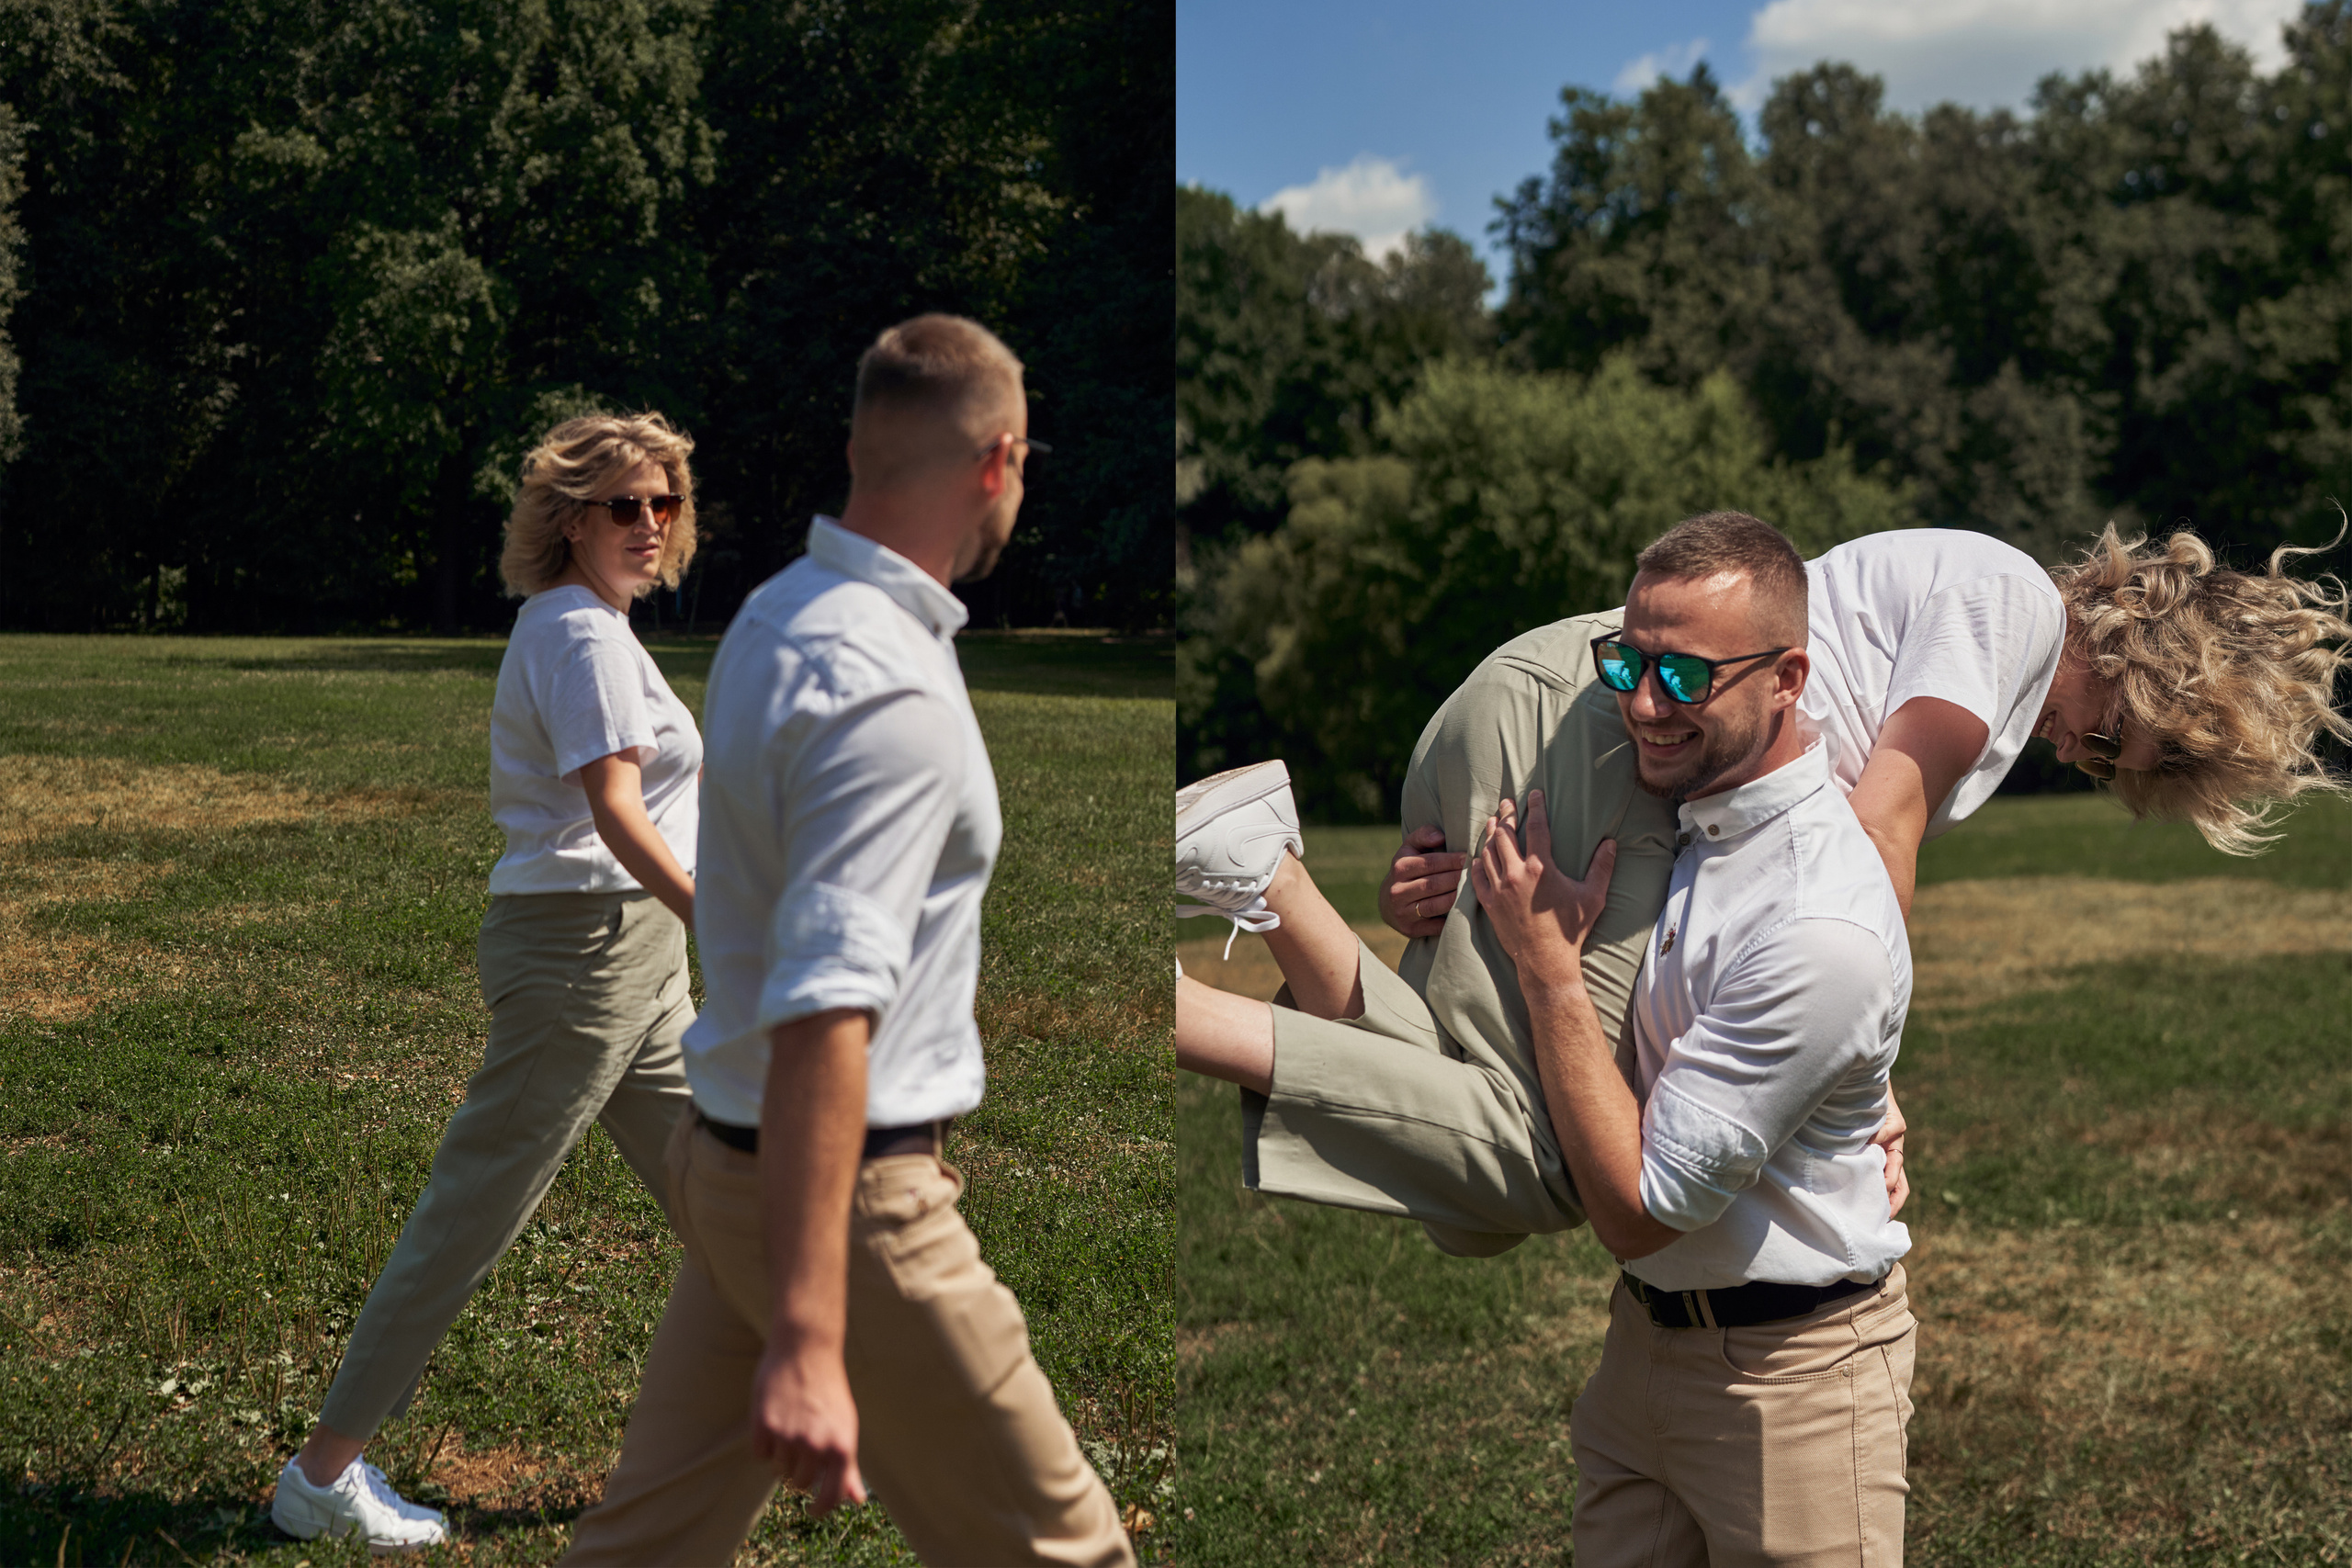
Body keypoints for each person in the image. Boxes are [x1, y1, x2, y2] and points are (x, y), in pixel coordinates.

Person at [1175, 513, 2352, 1252]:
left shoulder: (1994, 627)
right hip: (1622, 713)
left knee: (1471, 1201)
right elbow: (1875, 830)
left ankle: (1262, 874)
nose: (2081, 760)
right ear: (2154, 670)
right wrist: (1871, 1084)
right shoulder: (2009, 610)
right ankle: (1178, 1011)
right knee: (1549, 1164)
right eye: (2113, 744)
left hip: (1572, 710)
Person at [560, 314, 1131, 1566]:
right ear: (1001, 459)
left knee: (642, 1548)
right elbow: (829, 1004)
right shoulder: (883, 682)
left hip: (733, 1170)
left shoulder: (782, 612)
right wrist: (812, 1341)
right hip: (855, 1207)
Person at [271, 413, 706, 1551]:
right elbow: (614, 811)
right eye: (625, 505)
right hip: (584, 956)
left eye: (664, 503)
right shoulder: (581, 636)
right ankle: (322, 1476)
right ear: (569, 520)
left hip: (638, 959)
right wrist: (729, 918)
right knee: (471, 1213)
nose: (650, 525)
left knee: (729, 1188)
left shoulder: (598, 628)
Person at [1473, 513, 1914, 1562]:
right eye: (1627, 661)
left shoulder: (1819, 926)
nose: (1637, 705)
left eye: (1682, 677)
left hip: (1795, 1389)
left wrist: (1548, 974)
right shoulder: (1676, 811)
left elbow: (1640, 1212)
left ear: (1788, 677)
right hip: (1641, 1355)